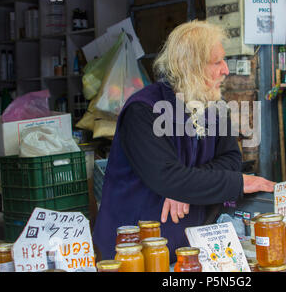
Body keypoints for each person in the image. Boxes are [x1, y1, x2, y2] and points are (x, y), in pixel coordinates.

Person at [93, 20, 276, 263]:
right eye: (216, 62)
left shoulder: (215, 107)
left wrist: (187, 188)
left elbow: (231, 159)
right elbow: (166, 177)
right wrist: (236, 183)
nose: (225, 70)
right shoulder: (142, 110)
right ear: (190, 66)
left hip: (188, 251)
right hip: (133, 253)